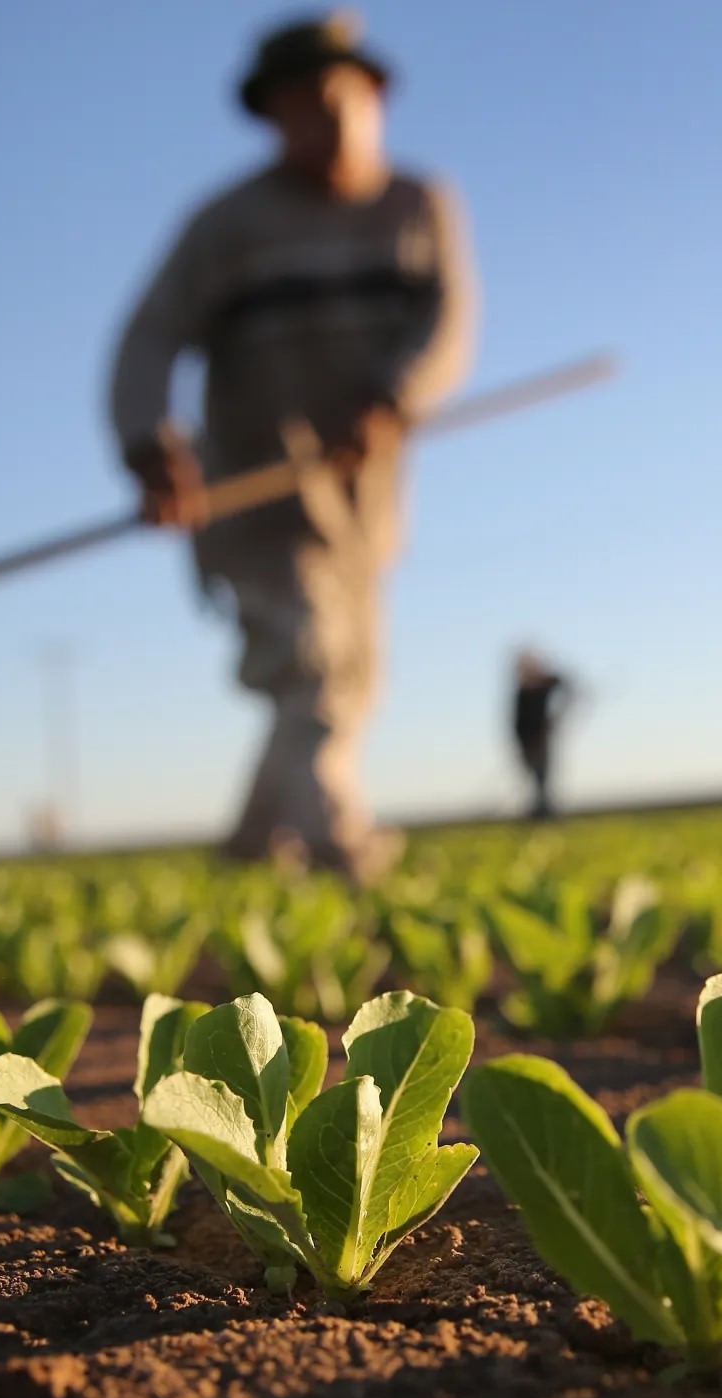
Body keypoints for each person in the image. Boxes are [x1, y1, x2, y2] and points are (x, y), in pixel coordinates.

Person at [109, 11, 477, 883]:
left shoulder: (419, 206)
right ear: (273, 116)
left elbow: (447, 325)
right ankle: (337, 845)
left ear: (377, 99)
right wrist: (148, 443)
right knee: (309, 661)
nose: (330, 121)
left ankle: (249, 846)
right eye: (306, 106)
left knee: (349, 673)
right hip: (254, 489)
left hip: (365, 497)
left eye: (344, 101)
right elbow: (149, 336)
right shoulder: (226, 226)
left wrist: (393, 396)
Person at [511, 649, 573, 820]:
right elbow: (518, 723)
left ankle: (544, 812)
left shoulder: (545, 683)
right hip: (526, 742)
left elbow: (566, 685)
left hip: (543, 740)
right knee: (535, 779)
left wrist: (558, 716)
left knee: (543, 778)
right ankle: (539, 811)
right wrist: (523, 743)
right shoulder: (522, 692)